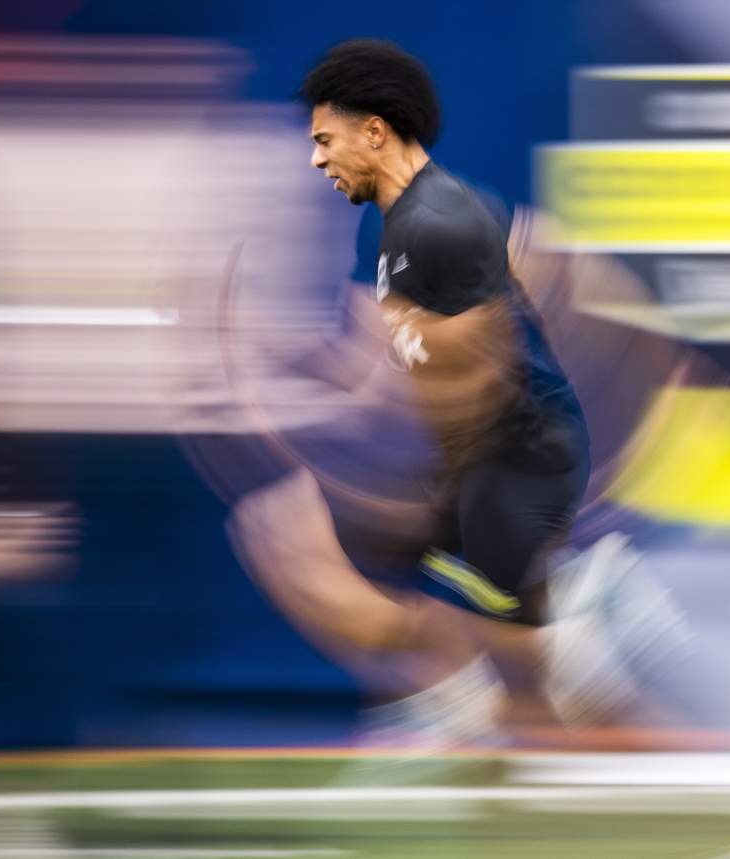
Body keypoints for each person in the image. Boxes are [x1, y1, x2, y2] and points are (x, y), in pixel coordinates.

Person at [229, 39, 598, 744]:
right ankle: (478, 696)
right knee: (285, 533)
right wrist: (318, 374)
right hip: (487, 468)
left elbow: (471, 367)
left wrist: (360, 404)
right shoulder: (411, 227)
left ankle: (490, 683)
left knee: (552, 700)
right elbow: (436, 349)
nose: (318, 160)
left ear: (374, 133)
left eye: (326, 140)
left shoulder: (438, 225)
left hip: (508, 479)